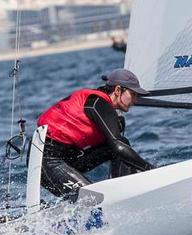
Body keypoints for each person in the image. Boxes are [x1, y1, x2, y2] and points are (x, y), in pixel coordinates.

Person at [36, 68, 154, 197]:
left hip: (68, 159)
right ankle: (116, 200)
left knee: (119, 146)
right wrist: (150, 170)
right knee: (93, 200)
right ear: (118, 90)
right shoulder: (98, 103)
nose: (135, 100)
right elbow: (118, 146)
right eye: (133, 94)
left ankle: (122, 193)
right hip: (48, 161)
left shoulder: (101, 105)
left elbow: (114, 147)